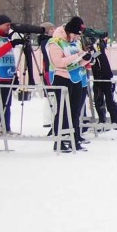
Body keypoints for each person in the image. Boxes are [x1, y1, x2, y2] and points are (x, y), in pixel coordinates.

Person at [45, 16, 93, 152]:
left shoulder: (73, 42)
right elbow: (58, 62)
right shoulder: (55, 42)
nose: (77, 38)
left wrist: (86, 59)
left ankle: (74, 139)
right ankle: (59, 141)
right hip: (61, 77)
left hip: (75, 77)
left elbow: (78, 60)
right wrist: (77, 57)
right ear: (69, 31)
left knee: (75, 110)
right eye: (75, 35)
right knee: (63, 110)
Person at [89, 35, 117, 126]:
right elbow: (94, 58)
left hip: (105, 77)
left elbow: (98, 55)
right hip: (99, 77)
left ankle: (115, 118)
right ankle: (103, 119)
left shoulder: (99, 49)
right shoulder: (97, 49)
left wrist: (93, 49)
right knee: (99, 100)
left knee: (109, 100)